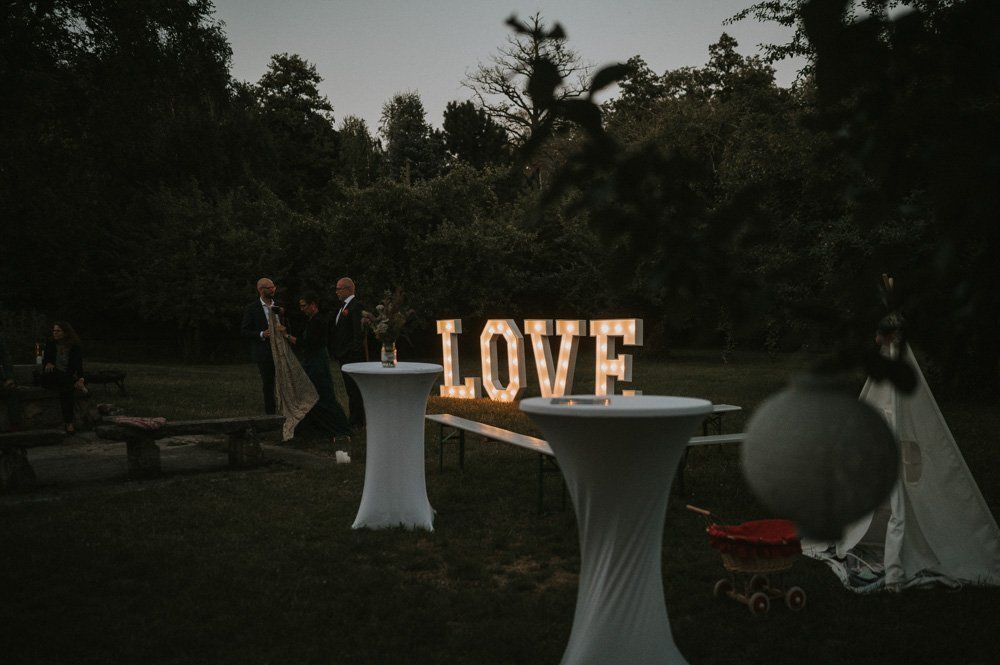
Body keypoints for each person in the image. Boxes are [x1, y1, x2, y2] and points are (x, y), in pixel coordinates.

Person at [289, 292, 352, 444]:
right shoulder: (312, 320)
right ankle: (314, 427)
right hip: (312, 361)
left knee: (323, 394)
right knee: (311, 395)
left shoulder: (318, 321)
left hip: (317, 363)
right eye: (300, 306)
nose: (302, 309)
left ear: (313, 305)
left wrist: (287, 336)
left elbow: (309, 343)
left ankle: (340, 428)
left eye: (304, 306)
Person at [240, 277, 287, 415]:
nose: (273, 290)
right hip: (264, 352)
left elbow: (288, 323)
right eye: (269, 288)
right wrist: (261, 334)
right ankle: (271, 415)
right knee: (268, 383)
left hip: (282, 349)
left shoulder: (280, 305)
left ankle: (287, 410)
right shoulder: (252, 308)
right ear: (261, 290)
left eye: (273, 287)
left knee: (285, 381)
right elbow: (244, 331)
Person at [331, 277, 367, 429]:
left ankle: (357, 421)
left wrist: (351, 352)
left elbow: (357, 334)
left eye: (339, 289)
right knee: (350, 389)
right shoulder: (343, 307)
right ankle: (354, 418)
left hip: (351, 357)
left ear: (347, 289)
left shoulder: (355, 306)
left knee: (354, 389)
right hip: (343, 355)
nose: (336, 292)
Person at [38, 321, 86, 434]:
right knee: (67, 384)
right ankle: (69, 423)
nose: (55, 333)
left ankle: (68, 422)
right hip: (52, 376)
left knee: (66, 389)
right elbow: (45, 360)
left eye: (58, 331)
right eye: (54, 330)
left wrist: (81, 378)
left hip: (65, 378)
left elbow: (78, 364)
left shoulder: (74, 346)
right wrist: (48, 362)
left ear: (65, 332)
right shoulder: (51, 343)